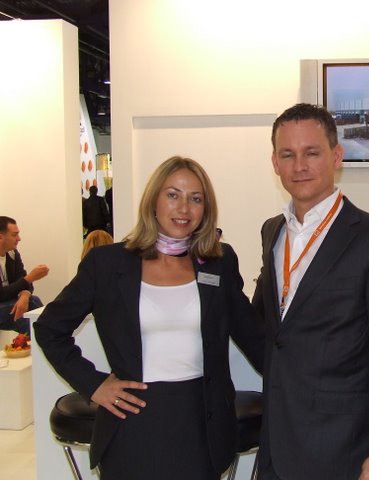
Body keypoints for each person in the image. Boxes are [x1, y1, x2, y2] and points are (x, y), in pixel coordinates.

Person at [34, 156, 264, 479]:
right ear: (153, 200)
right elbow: (49, 328)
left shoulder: (219, 262)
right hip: (133, 419)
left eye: (195, 199)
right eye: (173, 195)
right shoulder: (107, 263)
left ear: (206, 209)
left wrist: (306, 381)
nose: (183, 208)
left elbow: (254, 338)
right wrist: (94, 384)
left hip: (201, 422)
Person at [252, 103, 369, 480]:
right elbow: (270, 330)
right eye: (287, 155)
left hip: (343, 449)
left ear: (336, 156)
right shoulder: (271, 232)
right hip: (277, 444)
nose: (299, 166)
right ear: (275, 163)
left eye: (312, 152)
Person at [0, 216, 48, 335]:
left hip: (7, 302)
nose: (19, 239)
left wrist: (25, 295)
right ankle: (50, 339)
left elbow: (22, 280)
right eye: (14, 235)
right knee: (29, 313)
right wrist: (29, 278)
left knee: (32, 304)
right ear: (0, 237)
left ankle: (48, 338)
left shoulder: (12, 253)